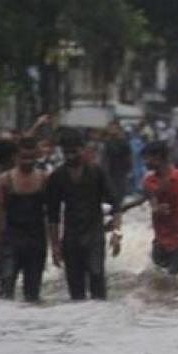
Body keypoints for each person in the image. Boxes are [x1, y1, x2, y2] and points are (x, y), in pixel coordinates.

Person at [46, 129, 121, 301]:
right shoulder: (57, 177)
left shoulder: (97, 172)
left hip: (94, 235)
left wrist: (116, 234)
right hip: (71, 237)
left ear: (84, 149)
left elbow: (115, 205)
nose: (71, 156)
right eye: (66, 152)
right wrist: (55, 247)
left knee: (97, 278)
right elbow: (53, 216)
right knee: (75, 288)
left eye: (74, 151)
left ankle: (97, 321)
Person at [0, 137, 53, 302]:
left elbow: (52, 212)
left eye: (31, 158)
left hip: (36, 240)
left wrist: (55, 243)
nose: (27, 161)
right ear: (15, 157)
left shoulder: (44, 179)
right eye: (23, 157)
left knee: (33, 292)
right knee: (6, 286)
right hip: (10, 238)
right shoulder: (4, 180)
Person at [140, 141, 178, 276]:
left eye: (147, 158)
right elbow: (152, 199)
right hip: (160, 240)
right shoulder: (149, 181)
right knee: (157, 277)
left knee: (170, 277)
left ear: (159, 157)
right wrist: (156, 208)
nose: (144, 162)